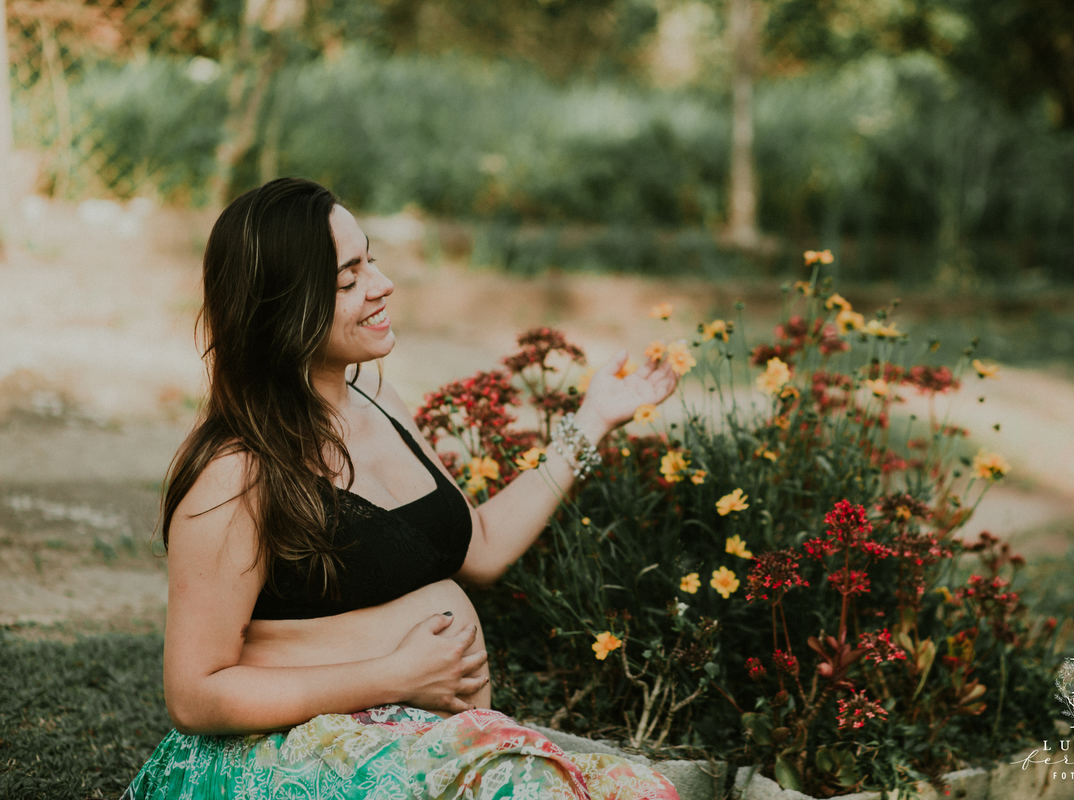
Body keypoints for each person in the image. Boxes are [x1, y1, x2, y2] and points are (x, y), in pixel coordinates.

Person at [123, 177, 681, 799]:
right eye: (348, 278)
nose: (381, 286)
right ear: (283, 307)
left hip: (411, 740)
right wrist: (391, 675)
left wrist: (592, 420)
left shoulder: (378, 400)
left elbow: (485, 546)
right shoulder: (237, 471)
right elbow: (195, 693)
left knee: (642, 791)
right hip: (284, 756)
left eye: (373, 260)